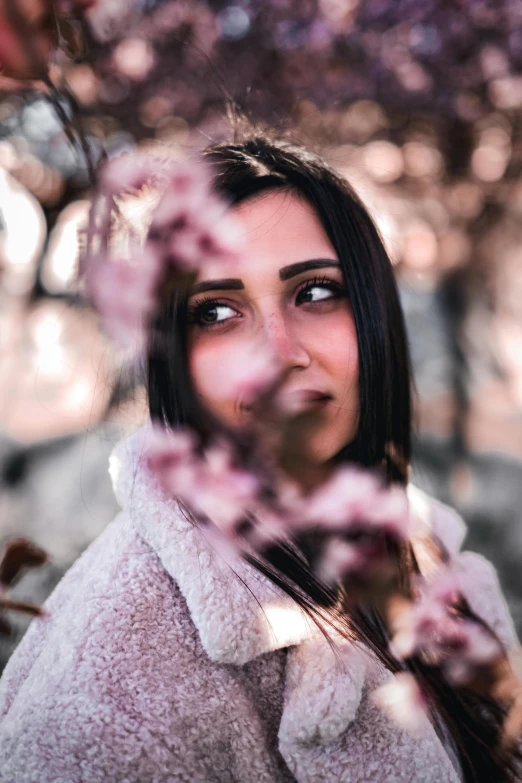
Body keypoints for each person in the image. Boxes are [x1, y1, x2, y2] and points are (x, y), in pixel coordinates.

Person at [0, 129, 520, 783]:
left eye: (313, 292)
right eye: (217, 310)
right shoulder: (123, 675)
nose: (277, 353)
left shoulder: (415, 540)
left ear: (373, 310)